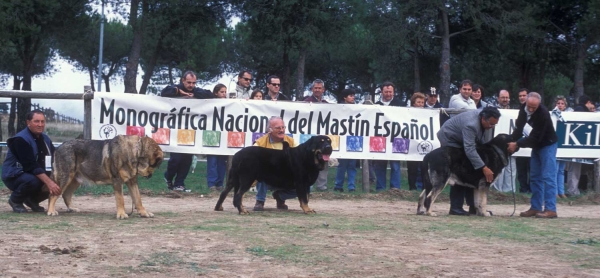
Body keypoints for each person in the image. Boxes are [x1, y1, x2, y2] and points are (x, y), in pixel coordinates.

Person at [437, 107, 500, 215]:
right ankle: (455, 208)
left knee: (472, 170)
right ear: (483, 118)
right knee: (459, 171)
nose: (491, 127)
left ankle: (474, 207)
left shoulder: (482, 117)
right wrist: (484, 167)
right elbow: (469, 149)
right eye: (490, 124)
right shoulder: (471, 125)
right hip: (449, 138)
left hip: (460, 138)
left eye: (494, 124)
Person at [508, 92, 558, 218]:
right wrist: (512, 140)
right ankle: (535, 207)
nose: (530, 109)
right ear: (526, 102)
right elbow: (519, 128)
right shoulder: (523, 109)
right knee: (535, 177)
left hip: (547, 145)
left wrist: (517, 144)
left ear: (539, 105)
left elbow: (535, 137)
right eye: (529, 106)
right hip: (537, 146)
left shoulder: (543, 114)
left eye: (533, 108)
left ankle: (551, 209)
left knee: (548, 177)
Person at [161, 71, 213, 192]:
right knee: (176, 159)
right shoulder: (175, 89)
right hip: (175, 130)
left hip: (190, 131)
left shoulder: (196, 90)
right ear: (182, 80)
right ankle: (168, 176)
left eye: (193, 83)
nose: (191, 85)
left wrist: (194, 92)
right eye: (188, 82)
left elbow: (209, 95)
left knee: (187, 159)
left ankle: (180, 183)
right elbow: (164, 92)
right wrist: (179, 92)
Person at [2, 109, 61, 213]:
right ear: (28, 123)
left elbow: (55, 157)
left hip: (33, 174)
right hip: (14, 175)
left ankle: (32, 200)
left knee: (58, 181)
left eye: (42, 121)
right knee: (34, 180)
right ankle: (15, 200)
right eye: (36, 121)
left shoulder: (45, 139)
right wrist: (49, 182)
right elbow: (30, 165)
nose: (40, 124)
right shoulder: (20, 139)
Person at [446, 80, 477, 214]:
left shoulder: (472, 101)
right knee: (457, 175)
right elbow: (470, 113)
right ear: (460, 89)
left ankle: (472, 205)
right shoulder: (455, 99)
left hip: (467, 140)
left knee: (470, 174)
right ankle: (455, 207)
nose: (467, 91)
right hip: (455, 141)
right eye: (464, 89)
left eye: (469, 89)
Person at [253, 117, 296, 211]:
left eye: (283, 127)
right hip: (268, 177)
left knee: (307, 185)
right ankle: (260, 201)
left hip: (286, 177)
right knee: (261, 172)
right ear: (270, 130)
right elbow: (252, 159)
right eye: (278, 128)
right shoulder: (260, 142)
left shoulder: (291, 141)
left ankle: (280, 196)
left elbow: (300, 158)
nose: (281, 130)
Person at [372, 81, 405, 191]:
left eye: (390, 92)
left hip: (397, 138)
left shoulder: (401, 104)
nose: (388, 94)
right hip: (380, 139)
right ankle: (380, 188)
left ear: (393, 92)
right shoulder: (375, 105)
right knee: (380, 164)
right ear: (381, 92)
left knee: (395, 165)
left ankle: (395, 188)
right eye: (386, 91)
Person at [566, 95, 595, 196]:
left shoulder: (581, 110)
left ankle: (576, 190)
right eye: (591, 104)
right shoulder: (580, 110)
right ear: (588, 102)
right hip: (576, 146)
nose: (592, 106)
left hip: (579, 145)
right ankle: (572, 191)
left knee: (578, 170)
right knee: (574, 169)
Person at [304, 79, 330, 192]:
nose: (317, 90)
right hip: (310, 137)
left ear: (323, 90)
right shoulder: (305, 102)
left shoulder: (327, 105)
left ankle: (322, 186)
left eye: (320, 88)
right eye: (315, 88)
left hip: (323, 138)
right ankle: (307, 185)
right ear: (311, 89)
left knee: (324, 159)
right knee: (308, 160)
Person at [491, 89, 517, 193]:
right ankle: (497, 191)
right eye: (503, 97)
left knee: (511, 168)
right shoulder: (494, 111)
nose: (505, 99)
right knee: (498, 166)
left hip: (510, 143)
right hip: (498, 144)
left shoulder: (514, 111)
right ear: (498, 98)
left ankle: (509, 191)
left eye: (507, 97)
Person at [334, 89, 358, 192]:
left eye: (353, 95)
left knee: (352, 165)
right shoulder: (339, 108)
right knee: (342, 165)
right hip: (342, 139)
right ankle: (338, 185)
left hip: (353, 139)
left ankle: (351, 186)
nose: (353, 97)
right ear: (344, 97)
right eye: (350, 95)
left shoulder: (358, 109)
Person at [206, 84, 229, 192]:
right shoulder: (209, 103)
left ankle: (220, 183)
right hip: (211, 134)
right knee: (212, 161)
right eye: (222, 92)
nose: (224, 94)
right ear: (216, 93)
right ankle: (212, 183)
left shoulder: (229, 104)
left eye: (225, 92)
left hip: (223, 135)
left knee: (221, 162)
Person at [552, 95, 572, 198]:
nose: (560, 105)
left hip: (564, 147)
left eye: (562, 103)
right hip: (555, 145)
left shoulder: (569, 116)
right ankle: (554, 192)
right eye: (558, 103)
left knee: (561, 171)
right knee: (555, 170)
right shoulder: (552, 115)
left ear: (565, 105)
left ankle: (561, 191)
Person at [407, 92, 425, 190]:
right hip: (412, 143)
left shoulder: (428, 114)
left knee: (424, 167)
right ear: (413, 103)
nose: (420, 104)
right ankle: (412, 188)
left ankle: (424, 188)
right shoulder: (408, 112)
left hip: (423, 143)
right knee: (412, 168)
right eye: (418, 102)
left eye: (422, 102)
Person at [515, 88, 531, 193]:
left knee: (533, 169)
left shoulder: (536, 109)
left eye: (524, 95)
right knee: (521, 169)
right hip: (521, 143)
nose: (522, 97)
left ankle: (532, 189)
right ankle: (523, 189)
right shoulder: (517, 110)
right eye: (520, 96)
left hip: (532, 143)